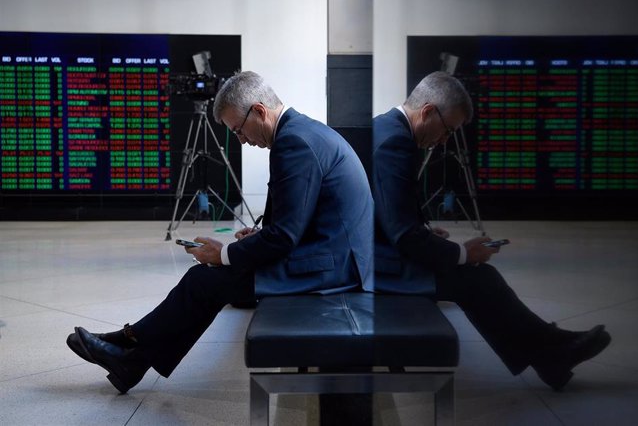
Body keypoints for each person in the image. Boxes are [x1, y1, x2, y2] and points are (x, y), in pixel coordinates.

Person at [67, 71, 374, 393]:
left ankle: (130, 351)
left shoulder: (294, 142)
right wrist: (257, 235)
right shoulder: (302, 132)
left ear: (258, 111)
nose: (241, 140)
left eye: (238, 130)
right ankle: (130, 355)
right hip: (335, 255)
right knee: (209, 278)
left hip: (334, 269)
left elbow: (285, 237)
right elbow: (303, 217)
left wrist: (225, 253)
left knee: (206, 279)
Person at [372, 71, 610, 390]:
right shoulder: (394, 142)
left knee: (477, 277)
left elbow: (387, 213)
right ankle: (552, 354)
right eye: (448, 131)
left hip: (371, 251)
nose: (444, 142)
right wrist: (461, 251)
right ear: (428, 112)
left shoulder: (388, 129)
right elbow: (401, 236)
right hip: (372, 267)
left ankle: (551, 354)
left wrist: (426, 232)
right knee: (476, 277)